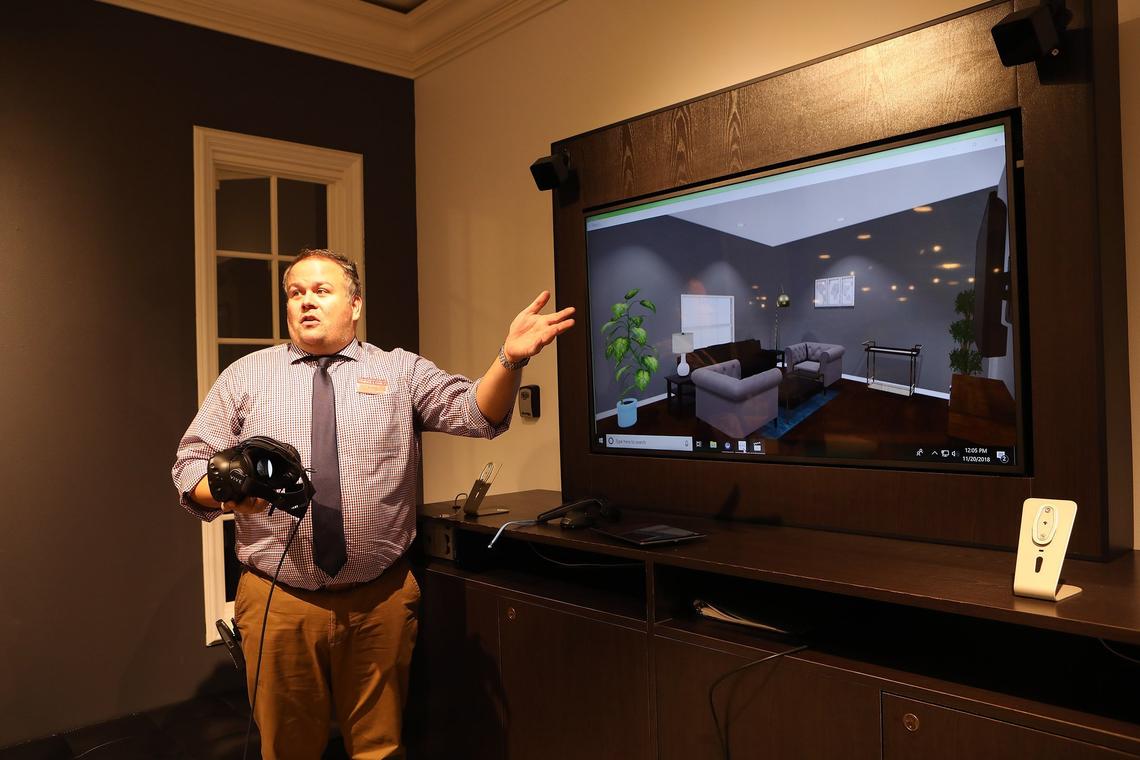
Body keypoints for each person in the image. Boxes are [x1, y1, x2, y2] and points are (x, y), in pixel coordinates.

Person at [172, 248, 574, 759]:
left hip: (379, 601)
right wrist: (229, 493)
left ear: (355, 304)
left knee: (380, 749)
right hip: (281, 602)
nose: (306, 302)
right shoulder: (245, 376)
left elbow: (477, 413)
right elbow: (189, 465)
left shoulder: (399, 371)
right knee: (287, 749)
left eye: (322, 291)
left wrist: (509, 359)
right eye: (296, 293)